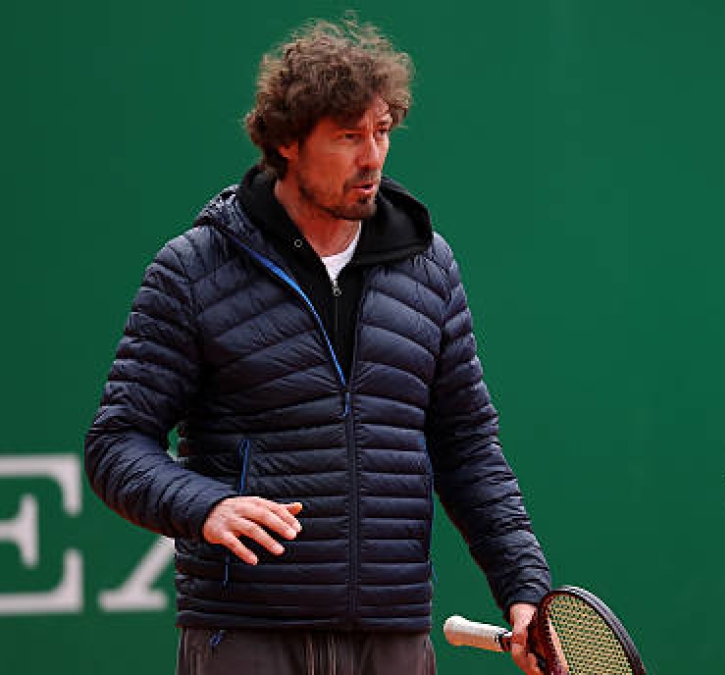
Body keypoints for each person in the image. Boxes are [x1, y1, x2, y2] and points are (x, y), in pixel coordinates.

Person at [84, 17, 550, 675]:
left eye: (382, 131)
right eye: (348, 137)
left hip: (392, 634)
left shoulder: (430, 267)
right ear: (286, 144)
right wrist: (206, 504)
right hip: (247, 634)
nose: (373, 157)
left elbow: (468, 446)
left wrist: (525, 587)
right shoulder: (191, 270)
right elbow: (116, 442)